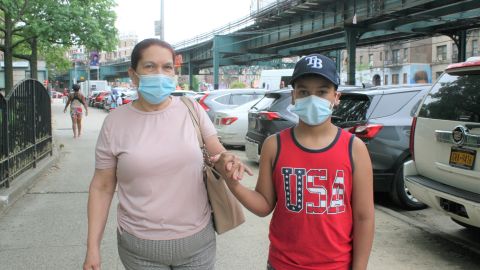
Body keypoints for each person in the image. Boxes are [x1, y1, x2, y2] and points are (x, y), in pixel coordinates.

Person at [82, 38, 251, 270]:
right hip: (139, 250)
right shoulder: (115, 122)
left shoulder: (191, 110)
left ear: (174, 72)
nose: (160, 74)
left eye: (167, 67)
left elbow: (217, 154)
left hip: (197, 246)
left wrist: (228, 160)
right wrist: (93, 247)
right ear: (133, 75)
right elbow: (101, 187)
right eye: (150, 66)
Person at [224, 54, 375, 270]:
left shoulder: (354, 149)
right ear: (293, 96)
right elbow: (264, 205)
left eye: (322, 91)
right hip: (282, 264)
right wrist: (233, 183)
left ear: (336, 97)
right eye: (304, 91)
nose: (313, 98)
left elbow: (364, 217)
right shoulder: (274, 145)